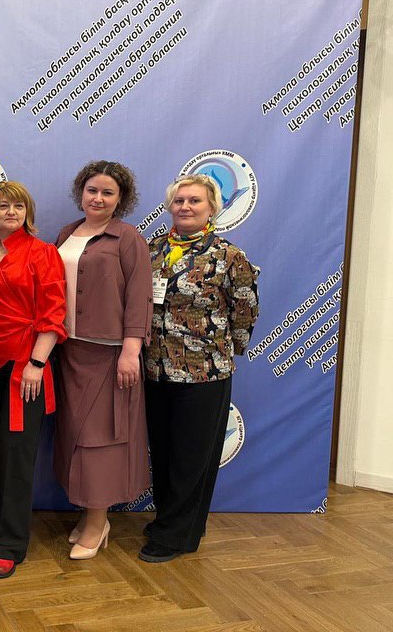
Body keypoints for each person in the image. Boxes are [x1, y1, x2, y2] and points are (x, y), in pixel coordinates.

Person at [140, 174, 259, 563]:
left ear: (212, 208)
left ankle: (176, 535)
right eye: (179, 201)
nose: (186, 207)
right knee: (164, 452)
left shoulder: (228, 256)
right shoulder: (152, 249)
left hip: (204, 372)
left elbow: (245, 309)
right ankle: (171, 520)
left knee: (192, 457)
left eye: (195, 201)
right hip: (155, 369)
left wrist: (226, 350)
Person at [52, 161, 153, 560]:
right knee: (74, 439)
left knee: (101, 441)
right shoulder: (66, 234)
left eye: (108, 192)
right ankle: (88, 515)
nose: (98, 198)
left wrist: (131, 350)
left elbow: (140, 297)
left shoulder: (128, 239)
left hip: (109, 355)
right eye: (92, 190)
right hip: (68, 351)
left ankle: (98, 523)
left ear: (120, 199)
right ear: (81, 192)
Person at [0, 180, 66, 579]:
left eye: (18, 206)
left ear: (28, 212)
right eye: (3, 206)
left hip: (24, 367)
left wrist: (37, 363)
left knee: (16, 457)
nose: (11, 212)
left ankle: (8, 544)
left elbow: (54, 313)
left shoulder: (43, 253)